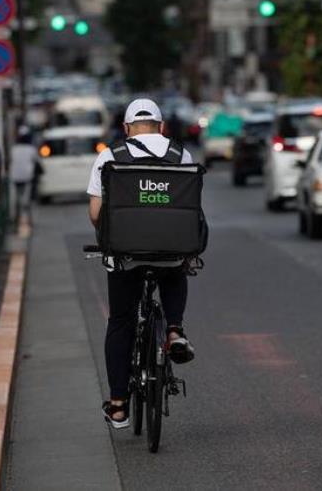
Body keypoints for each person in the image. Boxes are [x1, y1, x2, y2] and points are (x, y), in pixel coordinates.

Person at [87, 98, 196, 429]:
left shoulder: (110, 157)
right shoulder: (181, 155)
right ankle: (174, 330)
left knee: (120, 321)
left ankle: (119, 404)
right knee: (176, 266)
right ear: (161, 127)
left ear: (126, 129)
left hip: (125, 255)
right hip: (171, 250)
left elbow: (95, 212)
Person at [9, 127, 39, 227]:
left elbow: (10, 161)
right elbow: (37, 161)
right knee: (26, 201)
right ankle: (29, 221)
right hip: (27, 177)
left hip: (15, 176)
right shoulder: (31, 149)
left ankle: (16, 221)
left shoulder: (14, 149)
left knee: (17, 201)